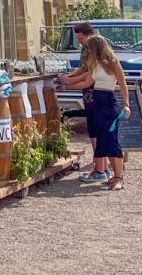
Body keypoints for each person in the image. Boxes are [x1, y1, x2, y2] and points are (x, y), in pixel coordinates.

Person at [56, 22, 110, 180]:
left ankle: (99, 168)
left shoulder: (93, 50)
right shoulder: (90, 49)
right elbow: (82, 69)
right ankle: (101, 167)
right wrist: (69, 77)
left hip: (94, 94)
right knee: (95, 130)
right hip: (91, 94)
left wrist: (68, 81)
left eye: (80, 38)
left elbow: (88, 75)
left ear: (88, 35)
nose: (79, 41)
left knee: (95, 130)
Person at [77, 33, 129, 190]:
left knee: (112, 140)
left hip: (108, 102)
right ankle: (114, 176)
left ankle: (119, 177)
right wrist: (66, 85)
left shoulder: (113, 63)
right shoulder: (95, 64)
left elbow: (122, 84)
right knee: (103, 141)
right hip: (96, 103)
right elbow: (87, 82)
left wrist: (126, 104)